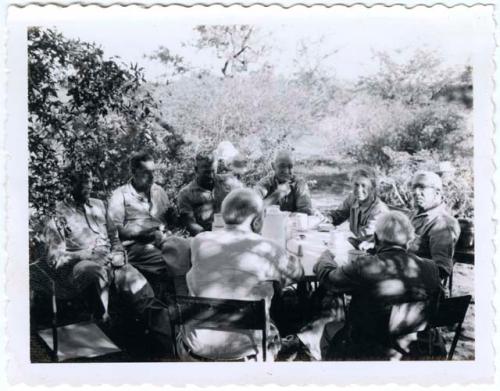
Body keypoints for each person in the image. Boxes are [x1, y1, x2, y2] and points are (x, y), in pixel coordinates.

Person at [44, 172, 176, 356]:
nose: (88, 186)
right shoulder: (58, 213)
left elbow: (114, 238)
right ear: (69, 183)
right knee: (95, 272)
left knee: (142, 290)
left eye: (89, 181)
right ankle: (103, 326)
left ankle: (169, 350)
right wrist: (86, 255)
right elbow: (54, 257)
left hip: (111, 262)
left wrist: (119, 253)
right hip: (81, 267)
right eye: (82, 182)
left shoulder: (99, 205)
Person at [178, 188, 305, 361]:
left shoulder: (200, 241)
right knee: (279, 307)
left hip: (194, 351)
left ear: (223, 216)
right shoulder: (268, 248)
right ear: (258, 221)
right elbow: (298, 274)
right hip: (247, 355)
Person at [310, 211, 443, 360]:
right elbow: (437, 305)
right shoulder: (431, 268)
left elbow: (330, 279)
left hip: (369, 348)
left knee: (327, 326)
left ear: (375, 238)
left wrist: (325, 256)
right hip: (416, 348)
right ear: (410, 240)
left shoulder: (365, 266)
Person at [108, 152, 190, 294]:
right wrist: (144, 234)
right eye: (146, 172)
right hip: (136, 246)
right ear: (133, 172)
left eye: (153, 172)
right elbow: (116, 231)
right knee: (170, 263)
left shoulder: (159, 191)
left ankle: (188, 300)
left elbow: (170, 223)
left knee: (190, 251)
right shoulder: (120, 195)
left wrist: (173, 219)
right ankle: (180, 303)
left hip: (163, 239)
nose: (152, 177)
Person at [178, 150, 243, 236]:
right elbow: (190, 224)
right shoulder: (186, 194)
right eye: (206, 172)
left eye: (213, 171)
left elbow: (245, 204)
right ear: (196, 170)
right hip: (205, 239)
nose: (211, 176)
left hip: (232, 234)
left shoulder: (229, 183)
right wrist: (209, 238)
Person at [410, 171, 461, 280]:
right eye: (414, 187)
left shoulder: (442, 223)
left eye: (422, 187)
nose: (416, 192)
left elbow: (441, 270)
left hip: (416, 286)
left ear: (437, 192)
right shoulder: (413, 215)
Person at [329, 167, 388, 250]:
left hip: (374, 253)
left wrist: (341, 237)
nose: (359, 190)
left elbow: (366, 237)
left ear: (372, 188)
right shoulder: (353, 198)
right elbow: (339, 214)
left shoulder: (379, 210)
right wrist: (329, 218)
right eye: (356, 185)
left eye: (364, 186)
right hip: (357, 248)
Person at [254, 150, 313, 215]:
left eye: (290, 167)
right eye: (282, 166)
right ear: (273, 166)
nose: (286, 171)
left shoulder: (299, 184)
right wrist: (277, 195)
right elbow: (251, 206)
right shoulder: (265, 183)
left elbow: (306, 212)